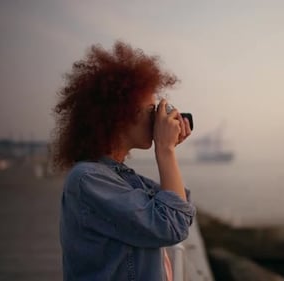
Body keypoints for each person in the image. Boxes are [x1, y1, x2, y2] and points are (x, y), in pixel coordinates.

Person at [51, 41, 196, 281]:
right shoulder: (88, 180)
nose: (157, 118)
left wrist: (167, 147)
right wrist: (165, 150)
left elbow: (179, 207)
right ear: (119, 116)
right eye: (152, 110)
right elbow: (174, 223)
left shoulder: (117, 177)